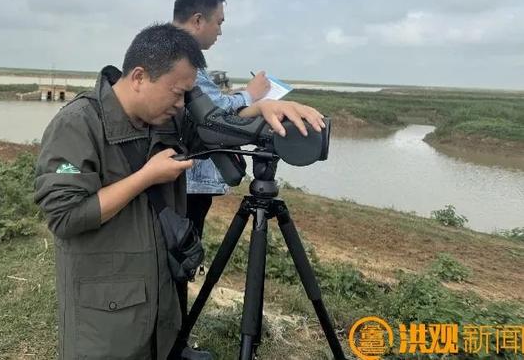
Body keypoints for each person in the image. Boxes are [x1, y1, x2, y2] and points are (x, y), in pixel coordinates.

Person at [35, 23, 325, 360]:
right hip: (105, 319)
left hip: (158, 302)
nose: (181, 103)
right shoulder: (76, 124)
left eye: (187, 94)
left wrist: (262, 112)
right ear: (139, 77)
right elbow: (65, 216)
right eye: (177, 92)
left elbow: (215, 133)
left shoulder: (167, 120)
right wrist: (146, 177)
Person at [172, 0, 272, 240]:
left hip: (185, 178)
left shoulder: (171, 50)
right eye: (219, 22)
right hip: (188, 180)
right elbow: (212, 111)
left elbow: (205, 100)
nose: (220, 32)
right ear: (197, 20)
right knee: (183, 252)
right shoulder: (181, 56)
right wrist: (251, 94)